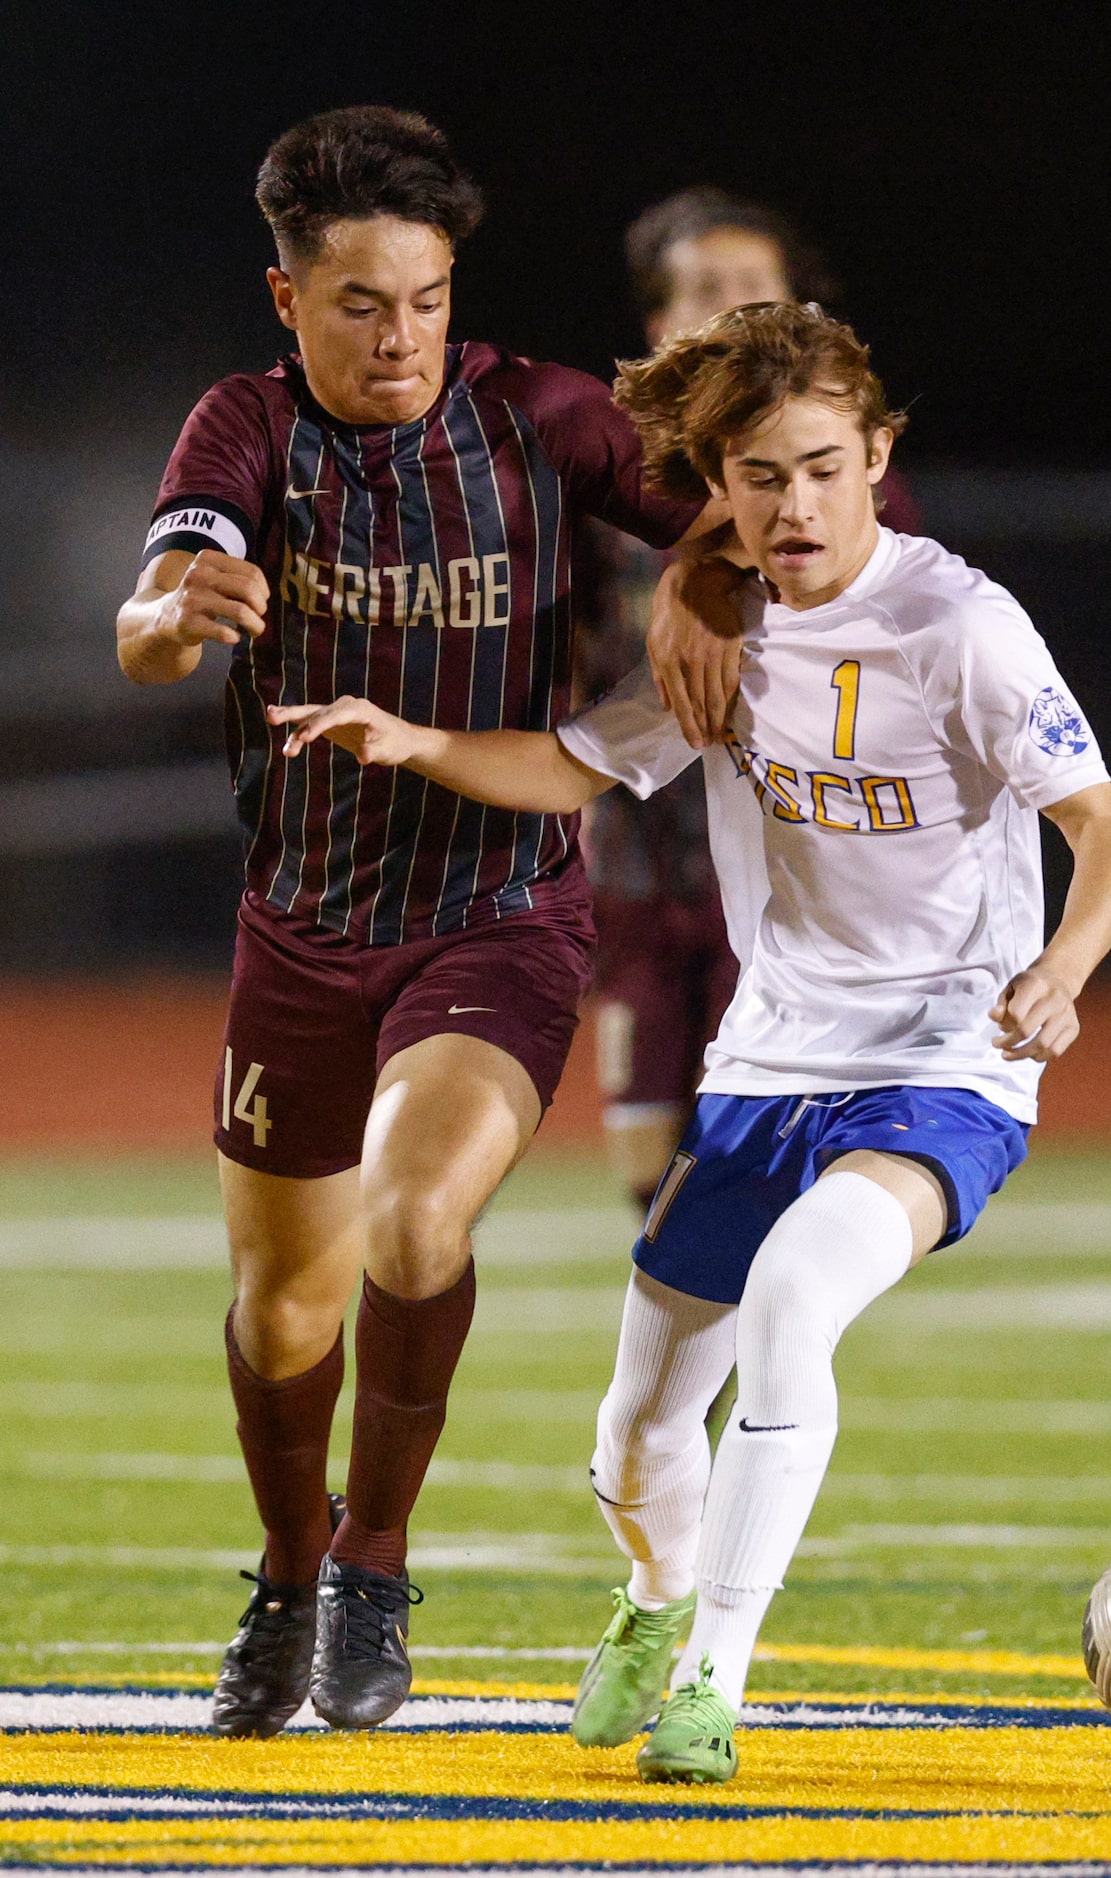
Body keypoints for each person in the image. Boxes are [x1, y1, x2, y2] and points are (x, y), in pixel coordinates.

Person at [269, 301, 1111, 1783]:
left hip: (946, 1063)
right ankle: (654, 1598)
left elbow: (1105, 828)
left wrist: (1060, 967)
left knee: (799, 1297)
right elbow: (575, 762)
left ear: (875, 455)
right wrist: (416, 741)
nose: (791, 504)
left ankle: (714, 1679)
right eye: (757, 475)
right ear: (720, 482)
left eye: (819, 467)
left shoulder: (962, 625)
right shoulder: (723, 621)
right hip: (763, 1068)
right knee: (630, 1439)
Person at [113, 106, 723, 1738]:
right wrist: (171, 614)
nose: (402, 337)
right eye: (364, 303)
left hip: (499, 911)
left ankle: (373, 1565)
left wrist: (715, 598)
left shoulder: (542, 418)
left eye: (429, 298)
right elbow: (158, 610)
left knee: (411, 1216)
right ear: (287, 298)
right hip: (303, 925)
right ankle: (290, 1567)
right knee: (281, 1306)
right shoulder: (241, 428)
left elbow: (741, 530)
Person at [579, 187, 920, 1214]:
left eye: (750, 291)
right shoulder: (595, 470)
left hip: (783, 863)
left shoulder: (841, 472)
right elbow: (559, 638)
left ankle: (766, 1367)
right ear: (658, 326)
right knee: (646, 1170)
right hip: (639, 855)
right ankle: (700, 1371)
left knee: (760, 1160)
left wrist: (706, 570)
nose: (728, 312)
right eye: (704, 292)